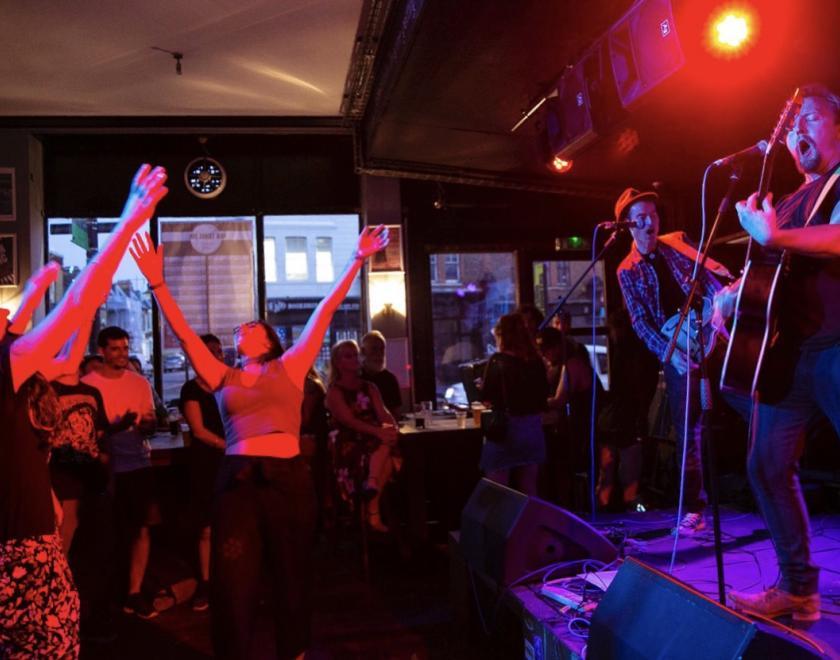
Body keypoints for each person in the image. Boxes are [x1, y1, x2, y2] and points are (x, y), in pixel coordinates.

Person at [129, 222, 388, 659]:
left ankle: (295, 650)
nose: (240, 329)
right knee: (234, 577)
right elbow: (187, 336)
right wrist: (156, 282)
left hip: (288, 478)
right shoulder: (221, 374)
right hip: (238, 481)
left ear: (268, 339)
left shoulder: (287, 367)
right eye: (239, 329)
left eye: (251, 326)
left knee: (291, 572)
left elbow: (324, 310)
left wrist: (356, 259)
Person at [0, 164, 167, 658]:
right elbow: (77, 302)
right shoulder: (6, 366)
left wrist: (32, 292)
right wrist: (127, 221)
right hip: (20, 554)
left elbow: (65, 354)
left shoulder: (15, 367)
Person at [717, 84, 840, 622]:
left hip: (837, 349)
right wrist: (728, 297)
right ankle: (797, 589)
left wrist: (773, 237)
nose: (798, 132)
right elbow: (765, 274)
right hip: (790, 355)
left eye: (810, 119)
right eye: (792, 127)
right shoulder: (789, 201)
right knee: (766, 464)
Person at [615, 187, 732, 535]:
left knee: (749, 399)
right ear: (629, 225)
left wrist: (720, 307)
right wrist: (670, 355)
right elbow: (640, 322)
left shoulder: (676, 244)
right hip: (678, 349)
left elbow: (709, 280)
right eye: (643, 216)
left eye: (654, 213)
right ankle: (694, 508)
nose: (651, 221)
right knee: (688, 430)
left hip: (711, 332)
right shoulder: (627, 270)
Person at [83, 326, 160, 620]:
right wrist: (116, 426)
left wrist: (145, 426)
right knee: (107, 533)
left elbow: (151, 422)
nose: (122, 354)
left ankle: (134, 591)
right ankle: (107, 594)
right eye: (115, 349)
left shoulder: (139, 383)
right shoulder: (89, 384)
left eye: (125, 348)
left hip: (138, 461)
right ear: (102, 351)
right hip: (105, 466)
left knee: (141, 528)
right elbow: (87, 431)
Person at [326, 339, 399, 533]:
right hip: (348, 440)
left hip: (373, 437)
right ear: (338, 363)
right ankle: (373, 511)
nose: (354, 358)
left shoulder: (370, 387)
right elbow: (349, 421)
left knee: (387, 445)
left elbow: (384, 413)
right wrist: (379, 431)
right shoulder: (334, 391)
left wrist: (392, 426)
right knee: (387, 457)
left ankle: (372, 485)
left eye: (355, 354)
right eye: (348, 355)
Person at [179, 333, 226, 612]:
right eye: (211, 351)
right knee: (207, 527)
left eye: (219, 351)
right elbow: (199, 431)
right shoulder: (192, 389)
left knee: (232, 523)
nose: (217, 356)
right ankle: (206, 583)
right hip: (208, 460)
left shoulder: (229, 382)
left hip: (230, 458)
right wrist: (229, 445)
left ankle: (230, 580)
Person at [478, 313, 549, 496]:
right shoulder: (536, 362)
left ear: (502, 335)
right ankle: (528, 524)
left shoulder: (497, 361)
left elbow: (487, 397)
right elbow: (543, 398)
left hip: (506, 429)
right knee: (529, 489)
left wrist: (481, 387)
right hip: (532, 428)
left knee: (497, 491)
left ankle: (501, 525)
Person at [537, 326, 600, 507]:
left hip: (585, 427)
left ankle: (567, 507)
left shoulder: (572, 364)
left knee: (560, 464)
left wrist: (533, 402)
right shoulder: (573, 362)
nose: (543, 354)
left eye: (545, 349)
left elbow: (558, 400)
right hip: (582, 424)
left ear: (556, 347)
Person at [360, 330, 402, 418]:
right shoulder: (355, 377)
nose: (379, 353)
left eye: (382, 349)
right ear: (363, 351)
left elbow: (396, 413)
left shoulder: (390, 379)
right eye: (374, 349)